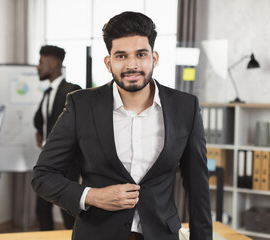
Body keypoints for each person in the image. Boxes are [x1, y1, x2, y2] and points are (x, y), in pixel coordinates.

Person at [32, 11, 212, 240]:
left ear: (154, 58)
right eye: (121, 56)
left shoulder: (185, 108)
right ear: (109, 63)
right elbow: (43, 176)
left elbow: (198, 190)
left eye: (140, 54)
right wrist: (93, 196)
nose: (132, 65)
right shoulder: (81, 105)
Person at [33, 45, 81, 230]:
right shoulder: (47, 92)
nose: (38, 67)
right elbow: (41, 120)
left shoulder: (72, 90)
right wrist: (40, 135)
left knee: (67, 212)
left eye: (40, 62)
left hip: (67, 162)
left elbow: (76, 126)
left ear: (53, 64)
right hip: (47, 161)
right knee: (41, 210)